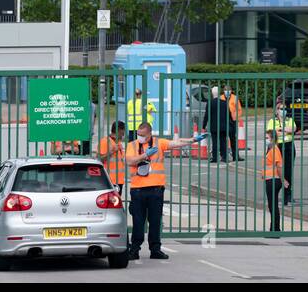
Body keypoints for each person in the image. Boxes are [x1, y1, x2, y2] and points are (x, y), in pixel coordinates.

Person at [124, 121, 196, 261]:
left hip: (156, 189)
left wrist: (192, 140)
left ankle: (155, 249)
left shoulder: (159, 143)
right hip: (138, 189)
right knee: (138, 221)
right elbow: (129, 161)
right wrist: (145, 155)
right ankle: (134, 250)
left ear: (150, 134)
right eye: (139, 134)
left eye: (143, 135)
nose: (140, 137)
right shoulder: (132, 145)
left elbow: (176, 143)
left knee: (155, 221)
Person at [266, 100, 298, 205]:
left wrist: (280, 130)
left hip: (288, 146)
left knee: (288, 171)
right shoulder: (272, 121)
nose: (283, 111)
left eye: (285, 109)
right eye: (281, 109)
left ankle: (287, 195)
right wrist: (284, 130)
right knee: (276, 172)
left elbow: (293, 128)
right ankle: (274, 194)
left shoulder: (290, 120)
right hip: (277, 147)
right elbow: (271, 133)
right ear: (277, 111)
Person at [262, 129, 288, 232]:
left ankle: (275, 229)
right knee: (272, 205)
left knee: (273, 205)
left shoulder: (274, 149)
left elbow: (279, 166)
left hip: (274, 180)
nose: (266, 140)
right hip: (270, 179)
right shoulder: (270, 149)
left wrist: (283, 180)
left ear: (272, 138)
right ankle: (274, 228)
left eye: (267, 138)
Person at [96, 121, 129, 191]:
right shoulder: (105, 141)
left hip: (119, 181)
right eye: (123, 130)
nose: (124, 133)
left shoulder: (118, 143)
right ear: (119, 130)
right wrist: (112, 151)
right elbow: (99, 160)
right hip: (109, 181)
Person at [203, 85, 230, 163]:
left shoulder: (210, 103)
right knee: (223, 142)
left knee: (215, 142)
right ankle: (224, 157)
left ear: (212, 93)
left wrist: (203, 126)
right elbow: (228, 115)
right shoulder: (224, 103)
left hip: (214, 126)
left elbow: (207, 115)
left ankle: (215, 157)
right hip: (223, 126)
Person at [225, 85, 243, 161]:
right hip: (223, 120)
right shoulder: (221, 98)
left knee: (233, 139)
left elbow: (239, 110)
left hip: (232, 121)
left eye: (228, 90)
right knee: (223, 139)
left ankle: (236, 156)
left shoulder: (235, 98)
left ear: (231, 90)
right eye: (225, 90)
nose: (227, 91)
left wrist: (235, 118)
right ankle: (223, 156)